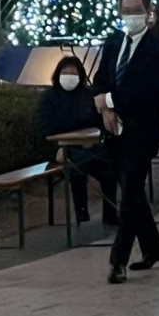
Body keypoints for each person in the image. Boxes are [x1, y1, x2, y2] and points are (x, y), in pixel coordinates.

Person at [93, 0, 159, 284]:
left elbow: (146, 92)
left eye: (136, 9)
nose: (131, 15)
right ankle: (153, 248)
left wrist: (109, 102)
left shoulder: (158, 50)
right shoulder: (113, 44)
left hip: (141, 131)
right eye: (126, 10)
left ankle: (118, 261)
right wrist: (102, 104)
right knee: (132, 191)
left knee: (130, 193)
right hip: (114, 131)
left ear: (148, 11)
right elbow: (101, 79)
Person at [37, 57, 118, 226]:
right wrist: (54, 150)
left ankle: (110, 214)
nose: (69, 76)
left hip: (91, 146)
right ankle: (81, 212)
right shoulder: (48, 98)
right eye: (65, 72)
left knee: (109, 168)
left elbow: (97, 122)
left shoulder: (88, 95)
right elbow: (43, 129)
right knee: (77, 166)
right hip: (63, 148)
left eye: (73, 73)